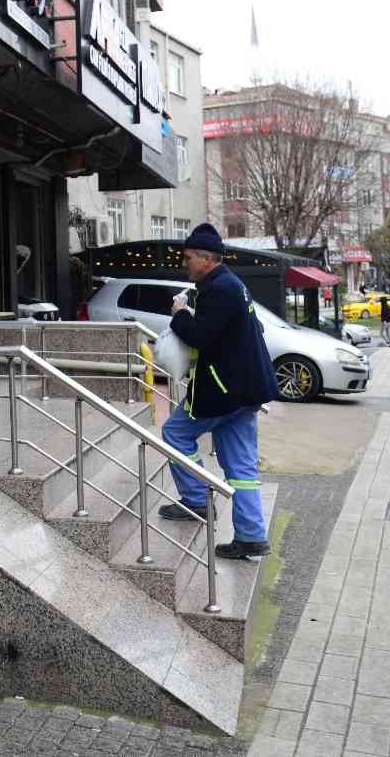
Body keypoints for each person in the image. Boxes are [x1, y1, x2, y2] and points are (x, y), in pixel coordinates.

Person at [157, 222, 276, 560]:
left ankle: (196, 499)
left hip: (224, 391)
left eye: (188, 258)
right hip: (245, 391)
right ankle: (251, 537)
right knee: (241, 468)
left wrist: (180, 315)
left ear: (206, 259)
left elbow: (202, 337)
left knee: (174, 433)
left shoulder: (220, 288)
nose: (185, 263)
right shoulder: (230, 285)